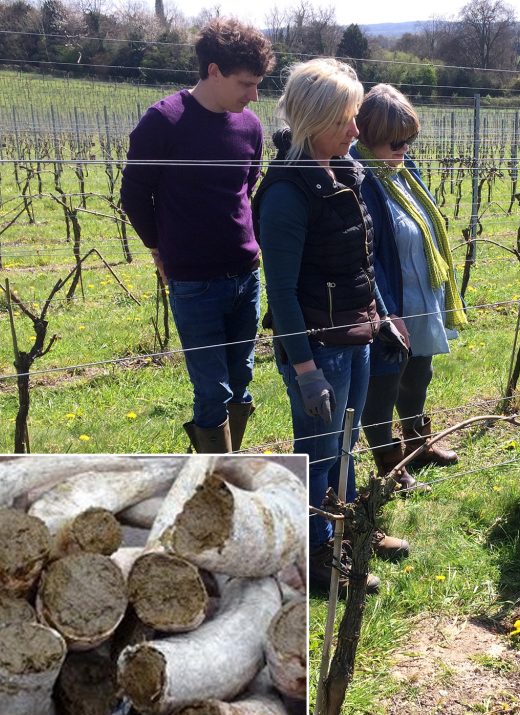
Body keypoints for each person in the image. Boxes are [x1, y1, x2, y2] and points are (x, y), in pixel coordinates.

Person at [254, 59, 410, 594]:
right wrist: (304, 369)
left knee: (343, 447)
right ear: (313, 120)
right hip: (319, 348)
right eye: (346, 119)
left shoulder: (344, 171)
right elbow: (283, 292)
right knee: (317, 455)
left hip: (356, 336)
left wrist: (380, 316)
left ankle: (346, 534)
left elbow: (357, 261)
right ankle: (316, 555)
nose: (356, 130)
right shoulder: (285, 195)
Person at [120, 18, 274, 453]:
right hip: (193, 281)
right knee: (213, 389)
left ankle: (226, 462)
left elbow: (248, 187)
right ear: (213, 71)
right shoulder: (164, 121)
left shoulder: (250, 126)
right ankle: (215, 484)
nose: (254, 95)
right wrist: (158, 247)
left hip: (247, 274)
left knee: (242, 379)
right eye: (246, 84)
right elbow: (134, 195)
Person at [350, 84, 467, 492]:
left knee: (420, 373)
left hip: (421, 294)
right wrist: (384, 310)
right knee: (384, 382)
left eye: (408, 140)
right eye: (395, 141)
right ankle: (389, 462)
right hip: (390, 300)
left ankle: (418, 441)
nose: (404, 148)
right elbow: (367, 253)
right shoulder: (360, 178)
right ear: (366, 136)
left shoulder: (403, 170)